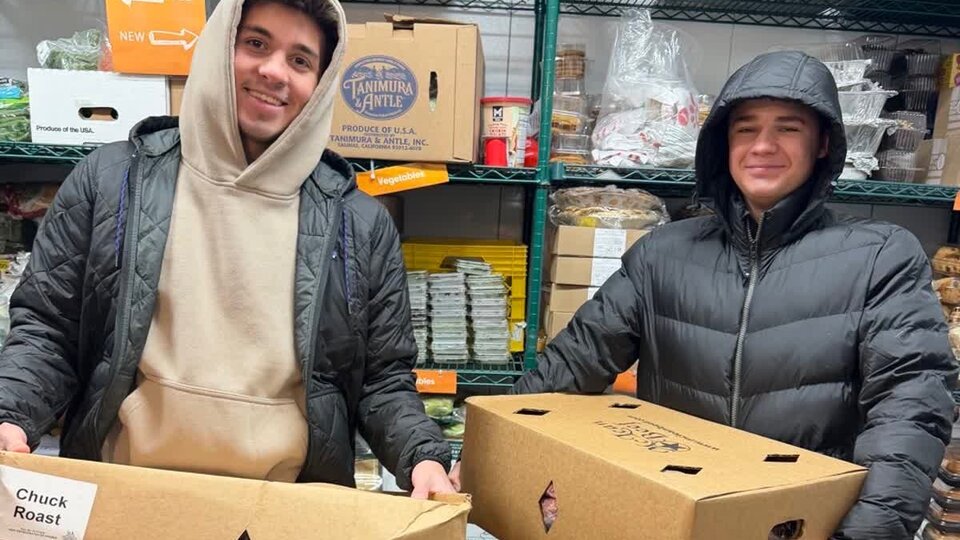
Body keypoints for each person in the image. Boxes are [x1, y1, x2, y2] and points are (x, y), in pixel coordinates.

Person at [453, 51, 958, 538]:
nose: (763, 145)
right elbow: (567, 368)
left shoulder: (879, 256)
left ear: (823, 144)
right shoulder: (663, 254)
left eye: (788, 127)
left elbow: (910, 409)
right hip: (674, 516)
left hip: (802, 524)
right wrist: (479, 455)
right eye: (745, 129)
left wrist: (867, 533)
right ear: (722, 145)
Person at [0, 0, 455, 499]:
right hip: (126, 495)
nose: (274, 71)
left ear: (320, 85)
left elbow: (382, 378)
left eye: (301, 60)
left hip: (286, 510)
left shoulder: (359, 223)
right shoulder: (112, 182)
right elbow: (49, 329)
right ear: (220, 46)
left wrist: (422, 459)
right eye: (255, 43)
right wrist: (11, 416)